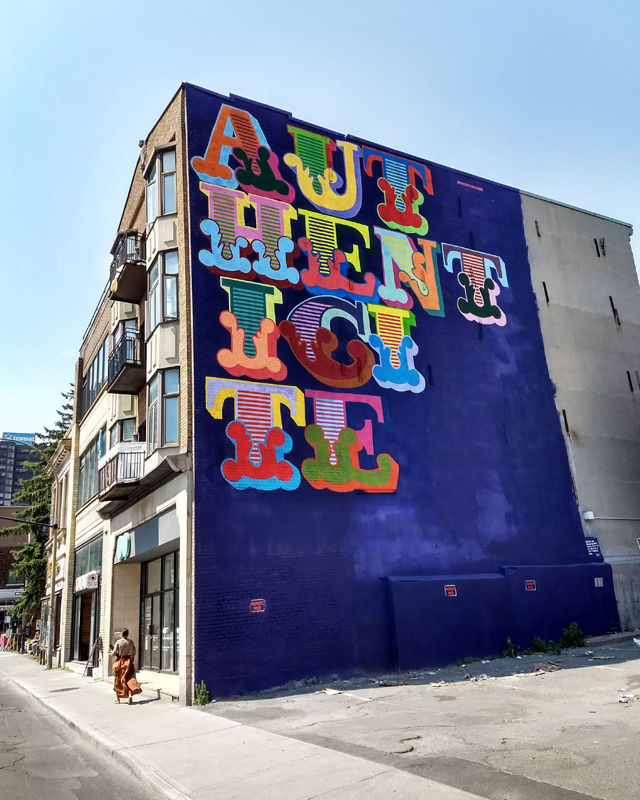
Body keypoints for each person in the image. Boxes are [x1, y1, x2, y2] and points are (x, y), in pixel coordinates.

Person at [111, 629, 142, 704]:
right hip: (129, 662)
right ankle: (130, 695)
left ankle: (118, 699)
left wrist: (111, 654)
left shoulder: (118, 642)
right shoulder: (130, 642)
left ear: (121, 634)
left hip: (120, 662)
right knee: (129, 679)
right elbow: (134, 652)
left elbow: (114, 652)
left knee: (118, 679)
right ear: (127, 634)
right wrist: (131, 656)